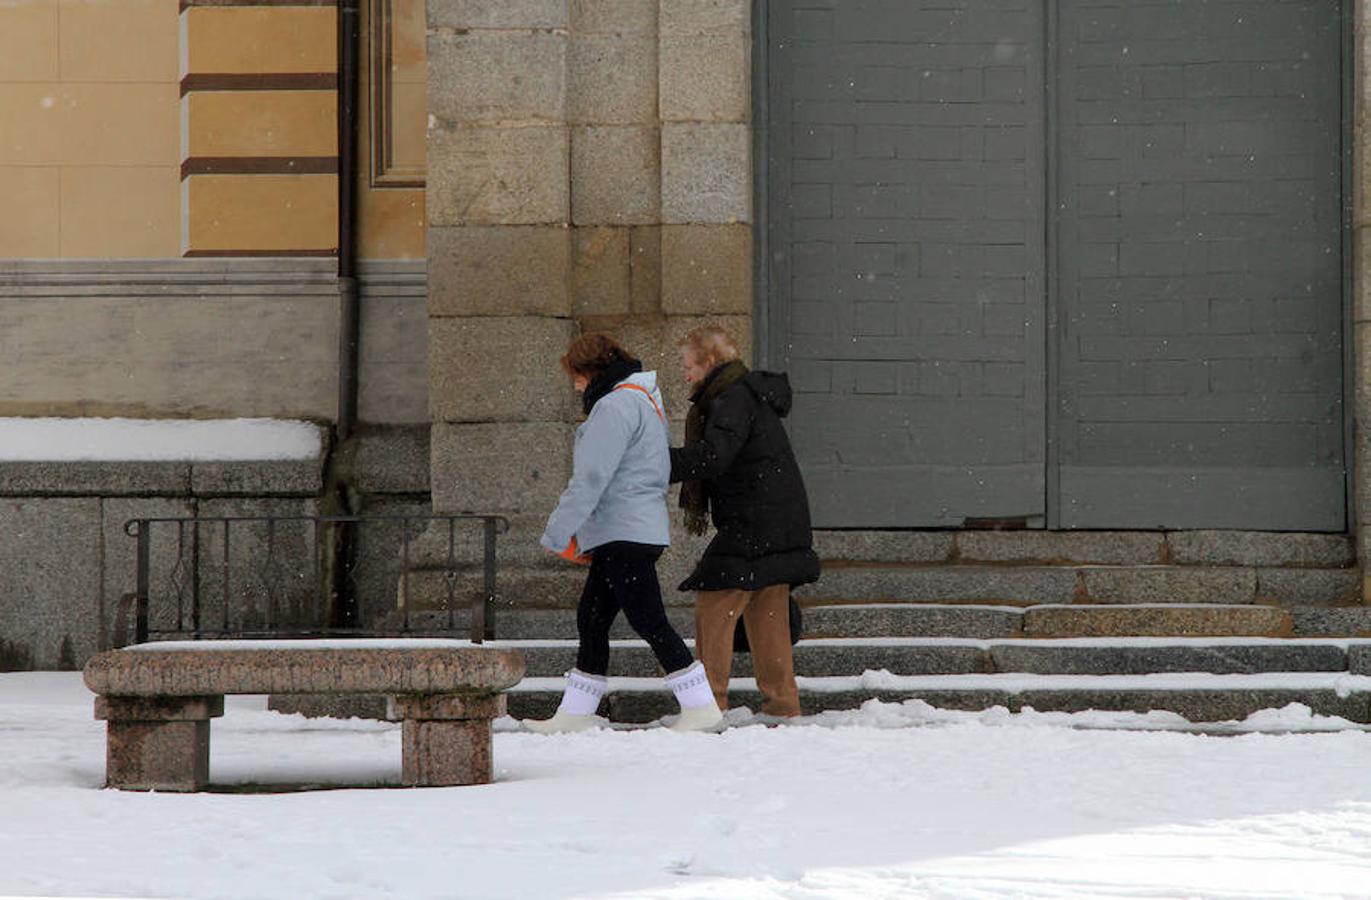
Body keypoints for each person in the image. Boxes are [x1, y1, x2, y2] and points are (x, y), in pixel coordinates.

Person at [527, 332, 723, 734]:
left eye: (576, 377)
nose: (576, 386)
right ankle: (576, 713)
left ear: (590, 371)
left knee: (647, 618)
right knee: (593, 618)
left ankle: (701, 706)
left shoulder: (615, 406)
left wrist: (557, 532)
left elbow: (592, 477)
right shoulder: (640, 399)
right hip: (630, 527)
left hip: (623, 530)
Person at [670, 325, 821, 719]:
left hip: (754, 521)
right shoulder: (748, 394)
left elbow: (714, 456)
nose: (685, 374)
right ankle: (783, 704)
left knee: (715, 602)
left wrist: (655, 462)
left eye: (688, 365)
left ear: (709, 362)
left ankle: (708, 705)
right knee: (767, 610)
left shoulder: (732, 399)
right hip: (777, 518)